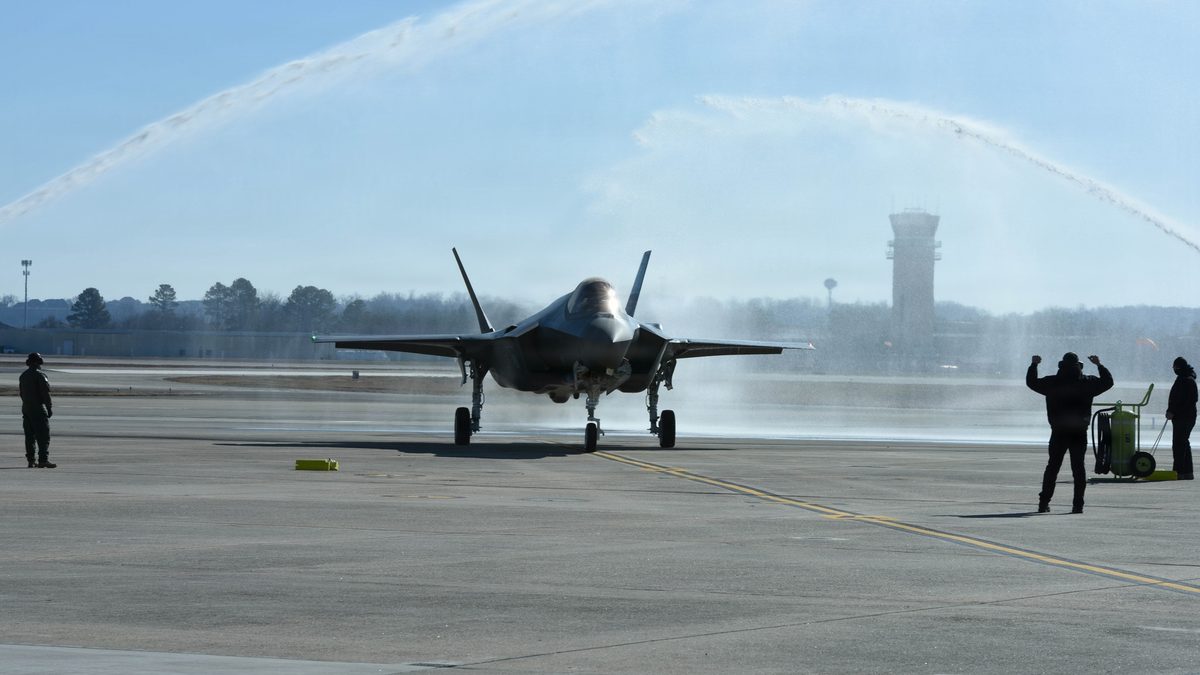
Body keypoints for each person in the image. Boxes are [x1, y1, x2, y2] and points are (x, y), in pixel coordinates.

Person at [1026, 352, 1113, 513]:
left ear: (1061, 366)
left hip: (1058, 432)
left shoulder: (1052, 382)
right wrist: (1099, 365)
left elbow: (1031, 383)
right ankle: (1078, 505)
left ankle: (1043, 503)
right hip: (1079, 432)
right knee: (1078, 469)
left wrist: (1034, 365)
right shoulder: (1087, 382)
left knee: (1052, 467)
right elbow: (1108, 382)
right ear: (1079, 367)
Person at [18, 352, 55, 468]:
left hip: (26, 408)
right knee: (43, 435)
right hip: (38, 409)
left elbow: (21, 394)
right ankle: (43, 459)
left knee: (29, 436)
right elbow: (45, 394)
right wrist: (49, 408)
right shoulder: (40, 375)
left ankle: (31, 460)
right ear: (38, 362)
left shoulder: (23, 375)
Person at [1166, 356, 1196, 480]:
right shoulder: (1184, 378)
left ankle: (1178, 471)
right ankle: (1187, 472)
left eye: (1175, 367)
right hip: (1184, 417)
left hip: (1184, 417)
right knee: (1183, 443)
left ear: (1179, 367)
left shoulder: (1187, 380)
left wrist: (1173, 411)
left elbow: (1187, 401)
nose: (1174, 369)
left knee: (1179, 445)